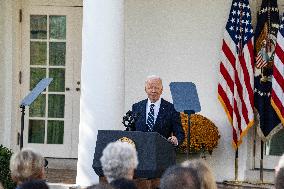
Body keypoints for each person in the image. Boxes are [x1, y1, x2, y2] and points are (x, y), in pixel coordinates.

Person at [131, 75, 184, 146]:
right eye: (150, 88)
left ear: (161, 90)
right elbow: (131, 130)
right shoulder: (137, 107)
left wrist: (176, 140)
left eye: (156, 88)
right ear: (145, 89)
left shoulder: (172, 108)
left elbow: (179, 133)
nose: (153, 91)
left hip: (161, 152)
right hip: (140, 151)